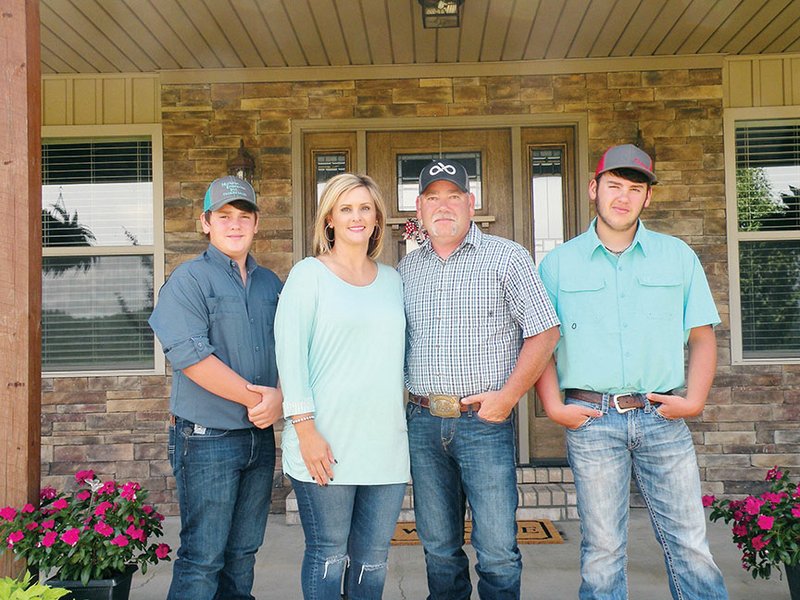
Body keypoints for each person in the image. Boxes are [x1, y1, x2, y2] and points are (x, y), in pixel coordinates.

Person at [534, 144, 729, 600]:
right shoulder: (558, 264)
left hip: (662, 415)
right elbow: (542, 344)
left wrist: (695, 400)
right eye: (614, 185)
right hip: (592, 419)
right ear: (593, 189)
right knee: (602, 551)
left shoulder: (676, 256)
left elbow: (702, 336)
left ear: (647, 198)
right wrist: (554, 407)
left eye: (634, 188)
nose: (622, 197)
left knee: (691, 546)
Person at [398, 159, 561, 599]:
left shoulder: (508, 258)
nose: (444, 205)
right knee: (438, 548)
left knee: (496, 550)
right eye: (433, 197)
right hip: (425, 421)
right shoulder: (406, 271)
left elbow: (545, 332)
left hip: (484, 422)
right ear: (419, 208)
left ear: (471, 204)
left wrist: (507, 398)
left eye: (454, 196)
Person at [275, 173, 410, 599]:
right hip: (324, 443)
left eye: (365, 208)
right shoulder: (308, 275)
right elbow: (290, 354)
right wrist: (305, 429)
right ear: (329, 219)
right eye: (346, 208)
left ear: (376, 220)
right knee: (329, 557)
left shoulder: (393, 280)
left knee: (372, 562)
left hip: (385, 446)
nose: (357, 216)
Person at [149, 176, 283, 600]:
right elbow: (191, 358)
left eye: (244, 216)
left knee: (243, 554)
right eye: (224, 216)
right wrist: (261, 400)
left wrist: (279, 397)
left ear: (257, 223)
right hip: (207, 439)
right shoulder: (188, 280)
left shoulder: (272, 285)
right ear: (205, 222)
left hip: (257, 440)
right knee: (203, 558)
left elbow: (292, 348)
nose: (235, 224)